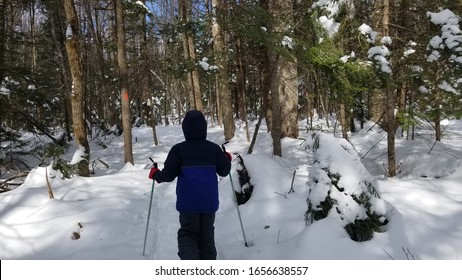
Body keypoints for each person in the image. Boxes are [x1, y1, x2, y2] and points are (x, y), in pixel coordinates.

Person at [148, 110, 232, 260]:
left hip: (188, 204)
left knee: (188, 234)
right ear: (204, 128)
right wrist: (226, 158)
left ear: (185, 129)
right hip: (208, 203)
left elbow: (167, 175)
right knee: (207, 236)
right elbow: (224, 171)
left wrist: (155, 175)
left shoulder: (178, 150)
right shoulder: (213, 149)